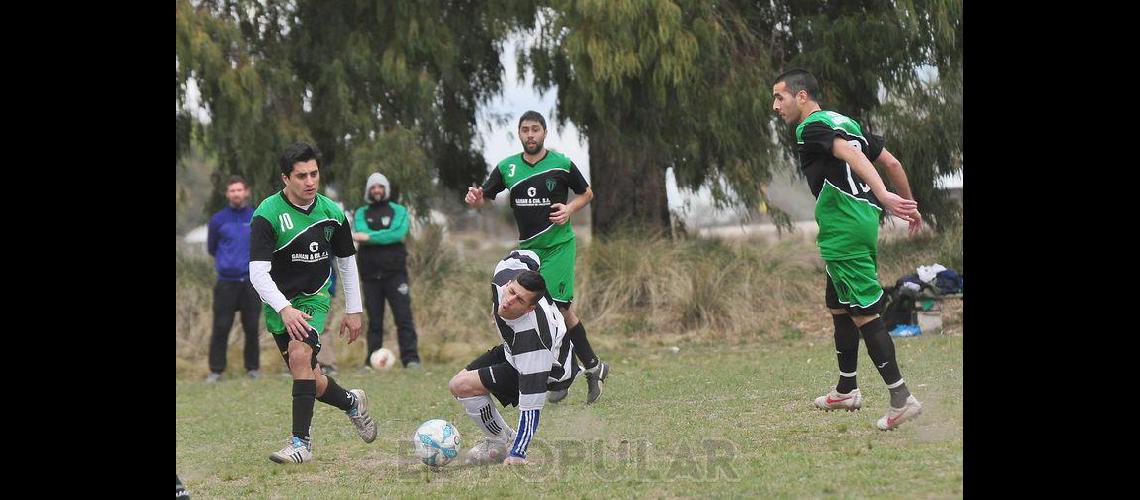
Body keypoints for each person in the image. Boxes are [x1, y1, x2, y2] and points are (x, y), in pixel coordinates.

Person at [771, 69, 924, 431]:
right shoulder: (847, 122)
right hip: (861, 220)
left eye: (780, 97)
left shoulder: (810, 127)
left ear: (802, 96)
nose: (775, 105)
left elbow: (849, 156)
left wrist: (887, 195)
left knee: (864, 313)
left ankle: (901, 399)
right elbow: (893, 163)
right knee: (838, 304)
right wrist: (910, 202)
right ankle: (846, 389)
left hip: (845, 223)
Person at [464, 110, 610, 404]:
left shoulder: (561, 163)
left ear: (544, 132)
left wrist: (570, 209)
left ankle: (563, 377)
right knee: (553, 311)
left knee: (554, 308)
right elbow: (485, 200)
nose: (530, 135)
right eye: (525, 130)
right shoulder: (507, 168)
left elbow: (587, 193)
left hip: (558, 246)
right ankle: (592, 366)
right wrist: (477, 201)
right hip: (529, 250)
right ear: (519, 134)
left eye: (535, 130)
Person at [249, 142, 378, 463]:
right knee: (310, 377)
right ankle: (351, 402)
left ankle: (301, 444)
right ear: (285, 179)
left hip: (315, 298)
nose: (310, 182)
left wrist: (354, 309)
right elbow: (257, 274)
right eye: (301, 176)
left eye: (314, 174)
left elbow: (347, 262)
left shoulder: (332, 213)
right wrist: (284, 308)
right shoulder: (266, 215)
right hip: (280, 303)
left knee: (300, 353)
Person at [447, 250, 578, 465]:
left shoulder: (533, 341)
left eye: (519, 300)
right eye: (511, 292)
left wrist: (519, 453)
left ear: (530, 309)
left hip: (550, 370)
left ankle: (501, 443)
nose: (508, 301)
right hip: (511, 348)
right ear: (509, 282)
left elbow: (531, 403)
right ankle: (503, 437)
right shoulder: (504, 275)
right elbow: (527, 256)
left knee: (461, 385)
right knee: (457, 386)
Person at [353, 172, 421, 369]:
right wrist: (381, 235)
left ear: (386, 189)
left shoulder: (398, 211)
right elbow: (360, 233)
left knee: (404, 317)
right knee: (374, 321)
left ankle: (411, 359)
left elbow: (397, 234)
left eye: (380, 187)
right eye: (373, 187)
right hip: (370, 276)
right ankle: (372, 361)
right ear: (368, 190)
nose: (376, 190)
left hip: (395, 274)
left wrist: (371, 237)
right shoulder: (361, 213)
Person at [206, 175, 262, 382]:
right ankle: (216, 370)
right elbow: (212, 248)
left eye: (239, 190)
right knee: (221, 327)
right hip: (226, 282)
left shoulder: (256, 216)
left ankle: (253, 368)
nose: (236, 194)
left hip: (250, 282)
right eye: (232, 190)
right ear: (227, 194)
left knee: (251, 327)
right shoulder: (218, 219)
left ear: (246, 191)